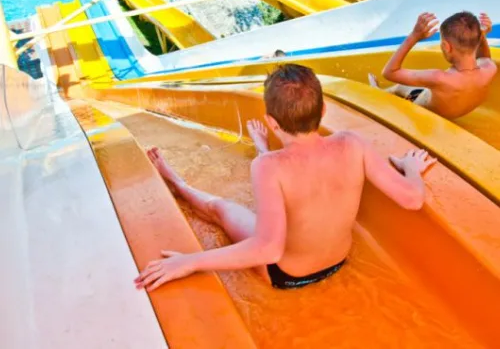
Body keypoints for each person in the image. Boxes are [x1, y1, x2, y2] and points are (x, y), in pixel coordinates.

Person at [135, 64, 436, 292]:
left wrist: (189, 261)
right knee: (275, 184)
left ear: (271, 122)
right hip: (337, 261)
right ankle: (261, 147)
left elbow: (268, 249)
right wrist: (411, 168)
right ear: (324, 110)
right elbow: (412, 199)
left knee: (221, 209)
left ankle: (178, 184)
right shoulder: (352, 143)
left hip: (287, 276)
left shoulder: (267, 167)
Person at [369, 12, 497, 119]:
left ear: (446, 47)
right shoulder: (489, 69)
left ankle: (378, 92)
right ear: (479, 40)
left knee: (399, 86)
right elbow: (484, 58)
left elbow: (390, 72)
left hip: (421, 114)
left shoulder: (439, 78)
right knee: (422, 88)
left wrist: (414, 36)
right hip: (453, 114)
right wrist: (481, 35)